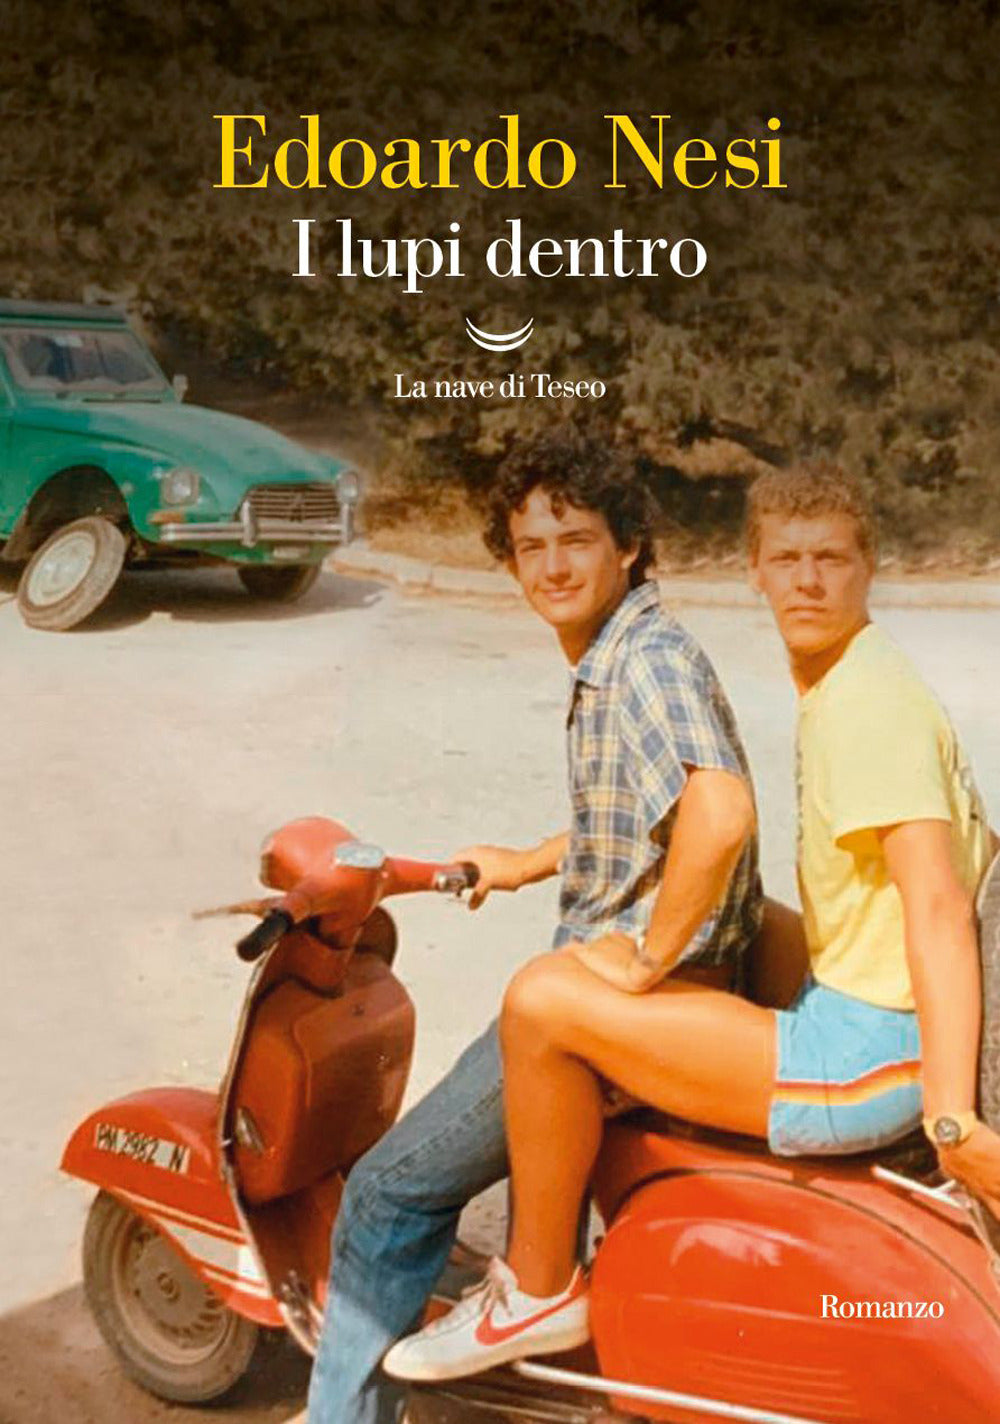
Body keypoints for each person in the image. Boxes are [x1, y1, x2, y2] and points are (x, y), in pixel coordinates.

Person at [385, 460, 1000, 1383]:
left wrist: (951, 1120)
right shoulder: (853, 678)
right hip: (876, 1017)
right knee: (737, 926)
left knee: (544, 998)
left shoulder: (869, 707)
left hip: (873, 1056)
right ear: (754, 570)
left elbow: (940, 908)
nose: (807, 581)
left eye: (831, 559)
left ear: (869, 566)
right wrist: (530, 863)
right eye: (786, 559)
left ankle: (539, 1290)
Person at [302, 431, 763, 1422]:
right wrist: (526, 860)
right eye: (530, 545)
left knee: (387, 1191)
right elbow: (646, 815)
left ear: (628, 543)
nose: (551, 565)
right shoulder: (627, 646)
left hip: (615, 1012)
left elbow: (718, 812)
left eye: (576, 539)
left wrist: (643, 961)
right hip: (637, 996)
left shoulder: (642, 663)